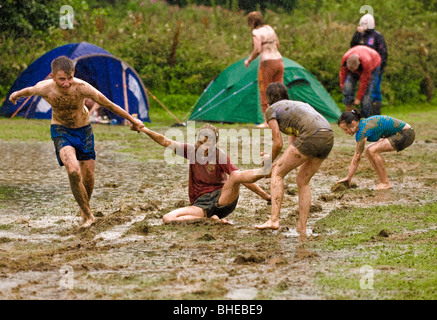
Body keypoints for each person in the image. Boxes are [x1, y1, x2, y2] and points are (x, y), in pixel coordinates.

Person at [8, 56, 144, 228]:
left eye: (70, 78)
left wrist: (133, 120)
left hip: (84, 131)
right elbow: (29, 90)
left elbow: (108, 104)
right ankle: (88, 215)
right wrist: (15, 95)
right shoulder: (44, 88)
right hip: (61, 131)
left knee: (88, 176)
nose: (66, 83)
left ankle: (84, 211)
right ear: (52, 76)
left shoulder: (82, 88)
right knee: (73, 171)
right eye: (62, 79)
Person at [133, 123, 271, 224]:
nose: (204, 145)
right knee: (168, 218)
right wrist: (143, 129)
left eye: (208, 142)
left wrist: (266, 196)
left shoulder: (219, 155)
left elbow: (241, 178)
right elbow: (164, 141)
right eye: (201, 140)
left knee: (235, 175)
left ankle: (263, 170)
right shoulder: (190, 150)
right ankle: (211, 220)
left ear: (214, 143)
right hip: (200, 204)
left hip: (223, 199)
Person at [254, 82, 334, 235]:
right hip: (328, 135)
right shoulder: (297, 105)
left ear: (268, 99)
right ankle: (302, 228)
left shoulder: (271, 110)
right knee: (303, 181)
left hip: (311, 134)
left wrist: (269, 163)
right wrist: (280, 161)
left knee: (277, 173)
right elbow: (294, 146)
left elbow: (278, 143)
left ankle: (274, 220)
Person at [337, 110, 415, 190]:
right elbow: (357, 154)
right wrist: (349, 177)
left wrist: (348, 177)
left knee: (372, 150)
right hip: (401, 133)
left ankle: (385, 183)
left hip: (406, 134)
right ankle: (383, 181)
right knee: (369, 151)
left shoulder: (363, 130)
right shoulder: (361, 126)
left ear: (353, 123)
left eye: (345, 129)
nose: (345, 132)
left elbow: (357, 157)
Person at [244, 11, 284, 128]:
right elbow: (278, 44)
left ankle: (267, 122)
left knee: (265, 90)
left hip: (267, 62)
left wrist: (249, 60)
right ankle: (280, 119)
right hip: (279, 60)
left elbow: (257, 49)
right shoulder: (269, 28)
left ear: (252, 22)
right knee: (278, 90)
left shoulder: (256, 32)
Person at [350, 13, 388, 115]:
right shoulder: (360, 36)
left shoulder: (377, 37)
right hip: (362, 69)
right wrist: (357, 34)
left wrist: (380, 69)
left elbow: (383, 54)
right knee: (364, 91)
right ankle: (365, 114)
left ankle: (376, 114)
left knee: (374, 91)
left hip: (376, 69)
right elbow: (353, 47)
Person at [340, 45, 381, 118]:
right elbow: (343, 76)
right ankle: (349, 112)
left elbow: (364, 82)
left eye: (354, 70)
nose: (353, 71)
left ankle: (364, 117)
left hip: (374, 64)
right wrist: (344, 89)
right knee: (348, 86)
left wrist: (358, 98)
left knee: (367, 95)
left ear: (358, 64)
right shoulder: (345, 59)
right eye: (351, 70)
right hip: (360, 59)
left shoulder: (366, 62)